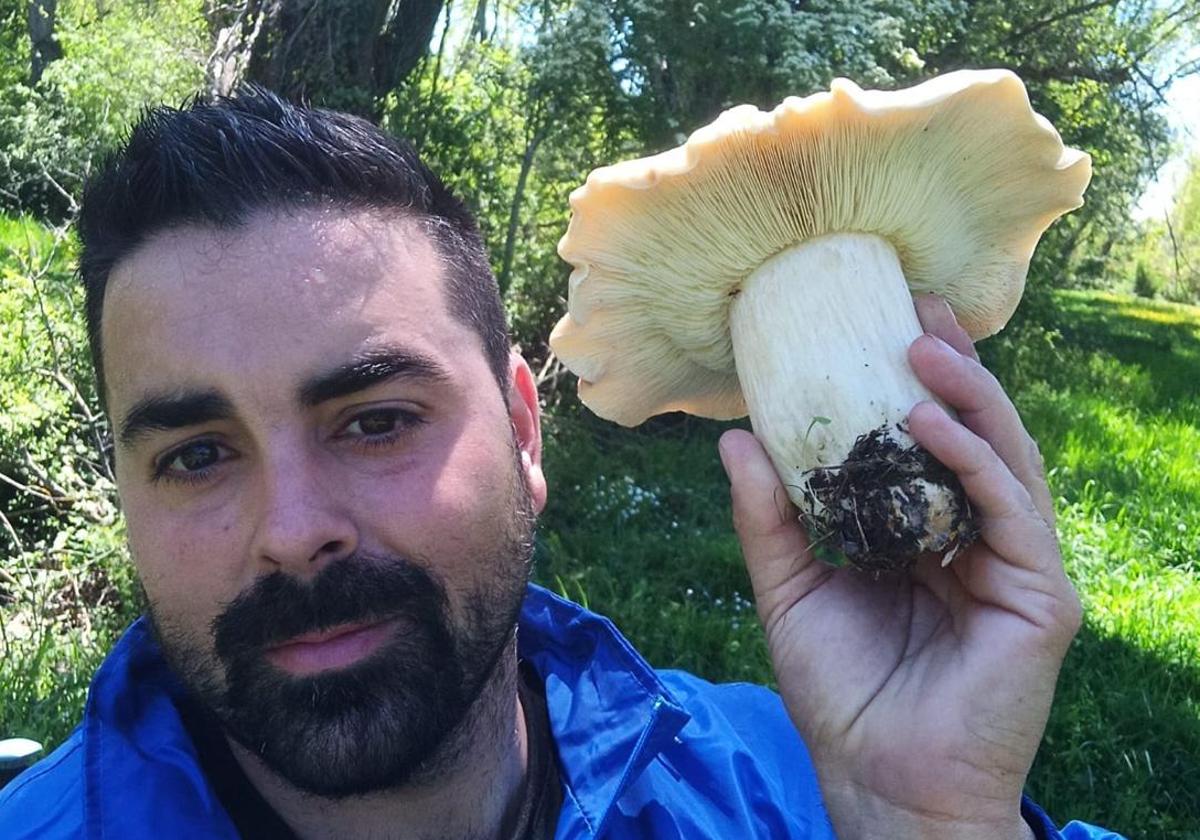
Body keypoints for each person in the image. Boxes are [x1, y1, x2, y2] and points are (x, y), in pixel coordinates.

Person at [0, 89, 1121, 840]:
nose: (292, 529)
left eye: (376, 421)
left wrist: (935, 820)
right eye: (196, 454)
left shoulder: (788, 783)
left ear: (525, 436)